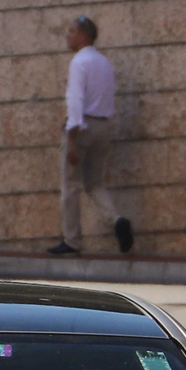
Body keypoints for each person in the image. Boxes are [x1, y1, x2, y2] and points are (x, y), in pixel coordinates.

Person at [48, 16, 132, 255]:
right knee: (94, 183)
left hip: (82, 129)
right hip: (104, 127)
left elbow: (75, 102)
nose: (68, 35)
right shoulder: (104, 62)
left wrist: (72, 139)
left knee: (70, 185)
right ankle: (116, 220)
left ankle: (72, 241)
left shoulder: (79, 62)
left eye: (72, 31)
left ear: (83, 35)